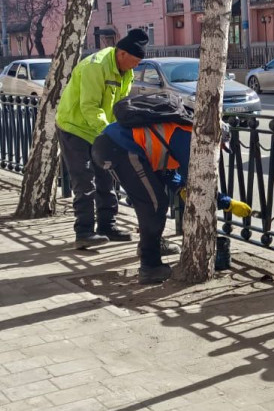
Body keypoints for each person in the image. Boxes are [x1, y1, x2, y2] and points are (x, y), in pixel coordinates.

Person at [93, 93, 253, 283]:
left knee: (152, 202)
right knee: (154, 205)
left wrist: (180, 188)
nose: (218, 151)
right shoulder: (189, 137)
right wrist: (226, 203)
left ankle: (152, 246)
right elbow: (197, 182)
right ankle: (150, 267)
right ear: (215, 139)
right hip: (120, 149)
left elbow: (166, 170)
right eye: (220, 146)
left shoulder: (185, 131)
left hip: (111, 145)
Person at [56, 28, 148, 249]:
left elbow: (120, 106)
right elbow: (89, 107)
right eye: (133, 62)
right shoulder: (96, 66)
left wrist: (122, 128)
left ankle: (107, 226)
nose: (135, 67)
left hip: (100, 129)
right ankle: (84, 232)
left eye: (138, 63)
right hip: (75, 127)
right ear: (121, 53)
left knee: (107, 177)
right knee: (85, 180)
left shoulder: (127, 71)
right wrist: (109, 132)